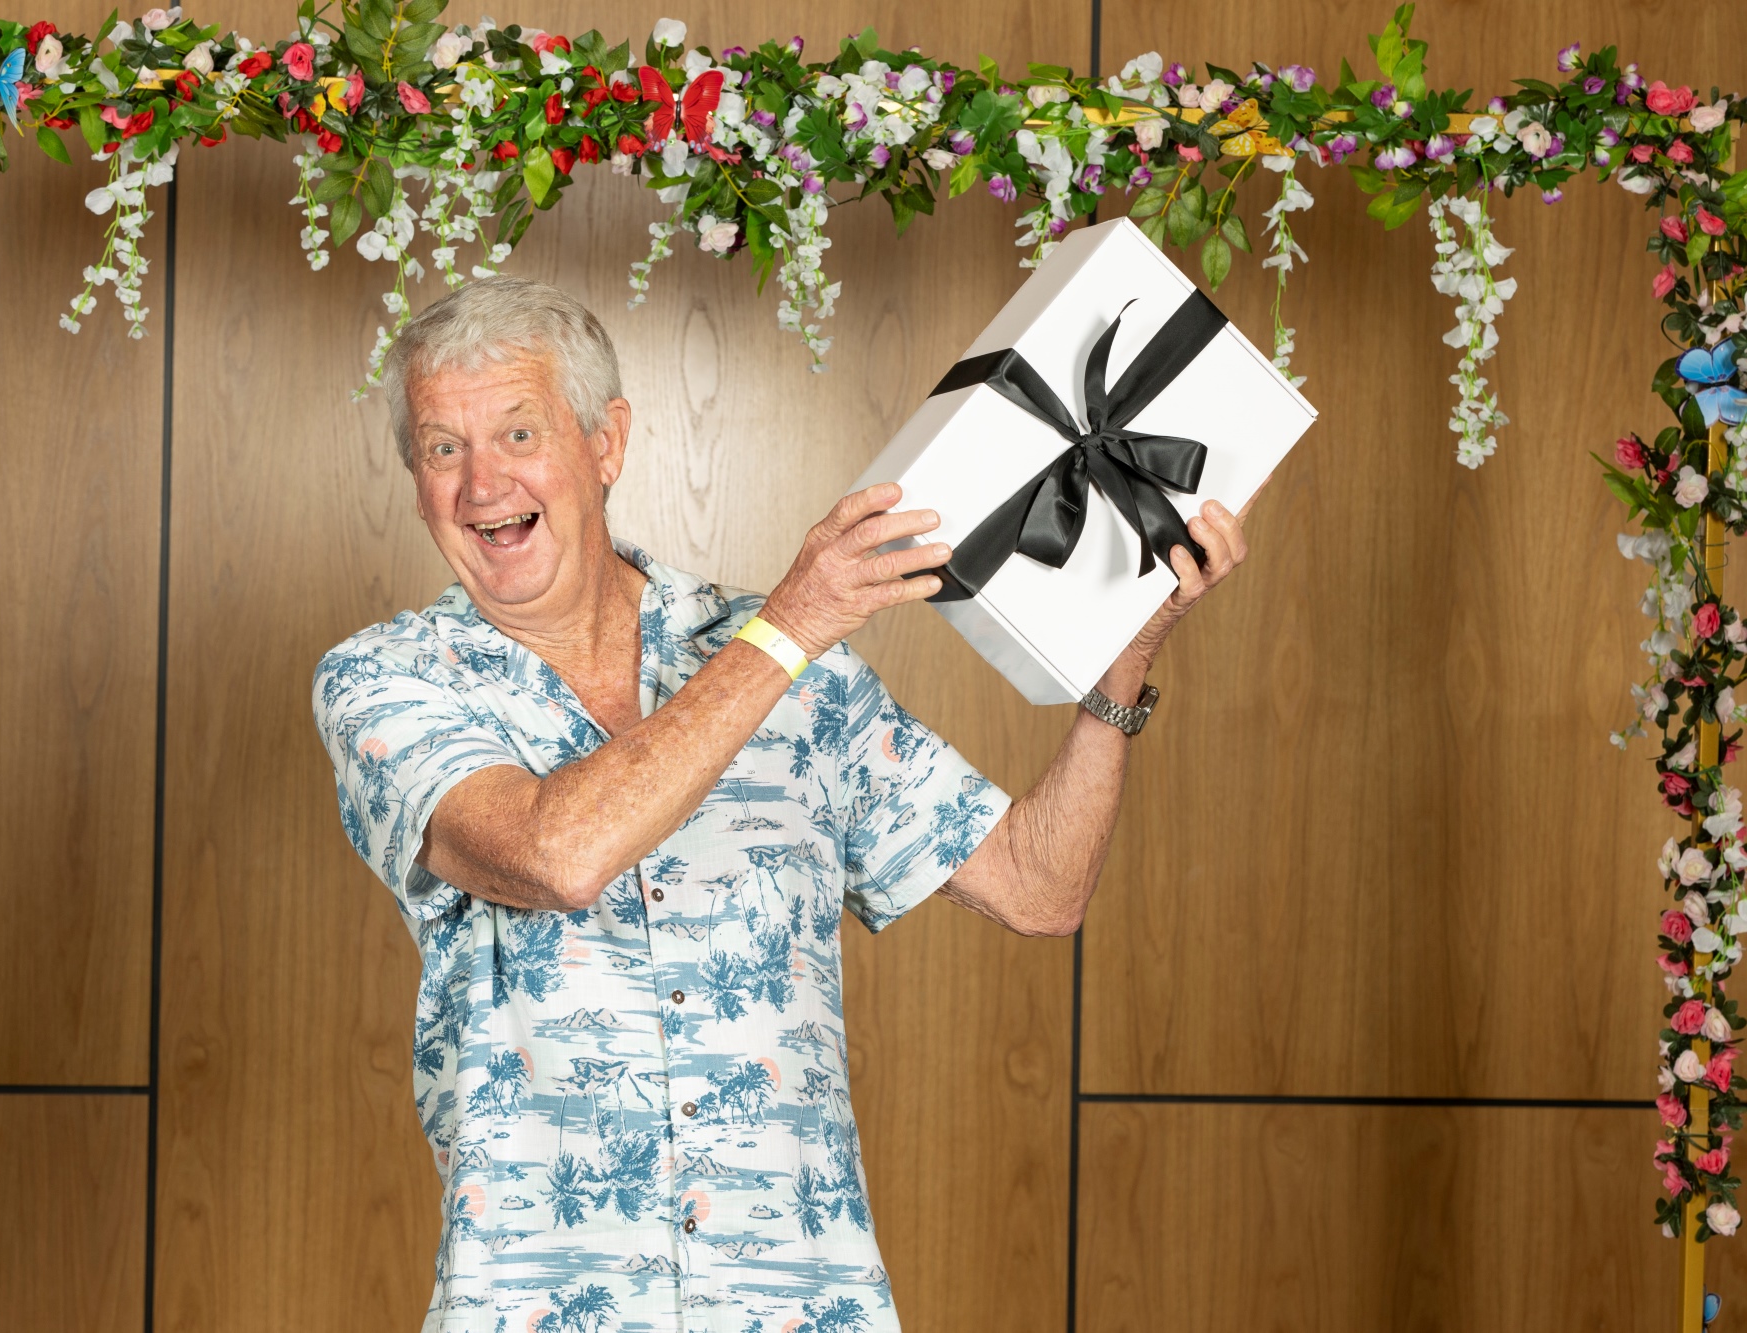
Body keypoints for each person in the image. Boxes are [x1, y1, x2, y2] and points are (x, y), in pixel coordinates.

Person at [313, 277, 1250, 1331]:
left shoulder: (793, 665)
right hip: (529, 1303)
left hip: (801, 1303)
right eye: (442, 447)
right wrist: (791, 629)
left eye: (518, 432)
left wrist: (1117, 661)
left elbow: (1039, 887)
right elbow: (552, 857)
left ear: (605, 442)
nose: (482, 481)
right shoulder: (388, 680)